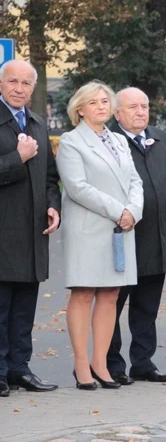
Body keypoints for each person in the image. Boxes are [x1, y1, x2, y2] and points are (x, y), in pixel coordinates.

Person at [57, 81, 144, 390]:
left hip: (121, 228)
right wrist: (118, 210)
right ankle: (81, 364)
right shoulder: (71, 141)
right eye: (94, 102)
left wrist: (133, 211)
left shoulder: (119, 141)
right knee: (84, 293)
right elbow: (77, 187)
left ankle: (100, 362)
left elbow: (136, 180)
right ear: (80, 109)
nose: (102, 106)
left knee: (110, 295)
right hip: (89, 229)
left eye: (105, 100)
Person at [105, 88, 166, 385]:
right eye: (133, 107)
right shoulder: (108, 141)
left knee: (147, 306)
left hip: (158, 235)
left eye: (145, 106)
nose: (140, 112)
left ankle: (143, 362)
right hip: (123, 233)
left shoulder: (163, 138)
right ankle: (112, 364)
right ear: (117, 113)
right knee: (113, 303)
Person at [0, 60, 61, 397]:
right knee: (1, 308)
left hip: (32, 233)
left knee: (24, 309)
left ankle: (19, 370)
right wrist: (16, 158)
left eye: (26, 82)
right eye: (13, 81)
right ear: (1, 83)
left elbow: (51, 176)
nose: (19, 88)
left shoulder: (37, 123)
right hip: (3, 232)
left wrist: (54, 204)